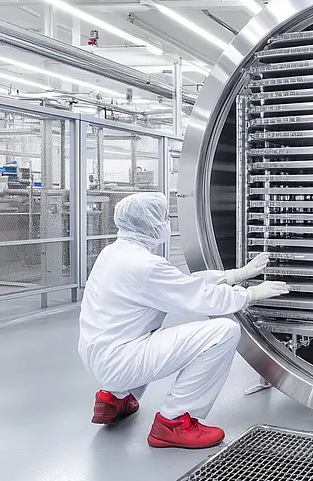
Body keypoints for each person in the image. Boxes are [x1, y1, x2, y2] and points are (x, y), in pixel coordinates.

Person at [77, 192, 288, 449]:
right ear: (149, 223)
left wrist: (234, 275)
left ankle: (114, 399)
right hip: (119, 361)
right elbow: (194, 295)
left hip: (100, 354)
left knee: (151, 338)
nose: (168, 221)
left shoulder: (116, 253)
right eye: (164, 216)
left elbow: (179, 284)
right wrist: (249, 294)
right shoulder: (143, 266)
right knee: (223, 332)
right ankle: (174, 422)